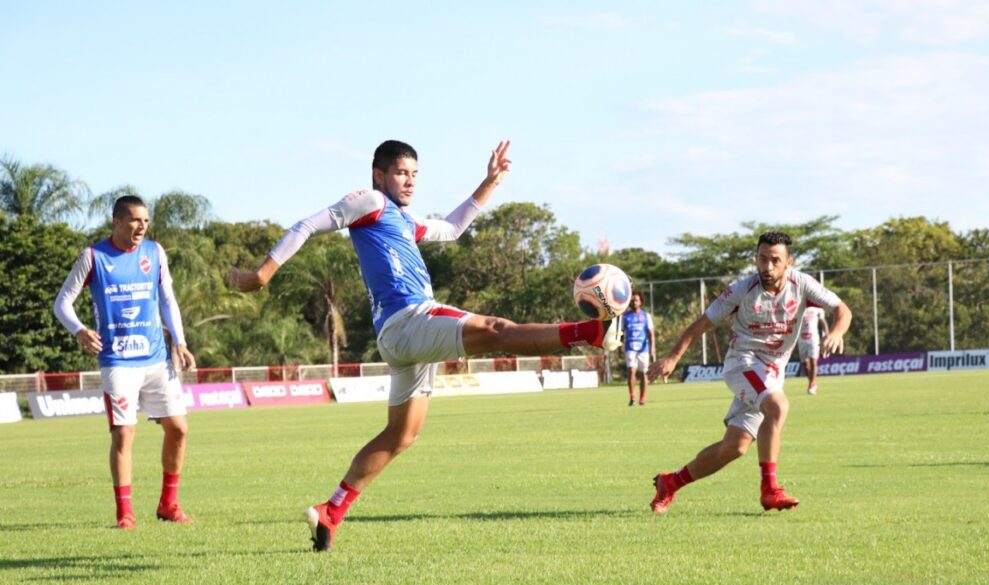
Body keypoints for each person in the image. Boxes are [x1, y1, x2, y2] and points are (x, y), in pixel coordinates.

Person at [230, 140, 620, 552]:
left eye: (414, 174)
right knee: (494, 329)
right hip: (409, 318)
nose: (409, 180)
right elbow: (307, 225)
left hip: (403, 337)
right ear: (379, 175)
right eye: (401, 172)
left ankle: (331, 511)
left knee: (402, 435)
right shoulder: (370, 201)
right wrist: (262, 274)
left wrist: (489, 183)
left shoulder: (403, 218)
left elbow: (451, 229)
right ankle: (590, 333)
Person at [646, 232, 851, 513]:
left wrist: (837, 332)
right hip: (742, 363)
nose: (767, 267)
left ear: (788, 262)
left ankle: (670, 483)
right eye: (762, 259)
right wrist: (672, 358)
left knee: (735, 447)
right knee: (777, 407)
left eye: (775, 260)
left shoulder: (802, 284)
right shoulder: (742, 290)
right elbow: (701, 324)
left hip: (771, 373)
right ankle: (770, 489)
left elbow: (842, 310)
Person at [54, 195, 196, 529]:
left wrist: (180, 341)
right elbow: (62, 303)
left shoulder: (154, 252)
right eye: (134, 220)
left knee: (179, 429)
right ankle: (125, 514)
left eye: (145, 221)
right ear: (117, 222)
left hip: (157, 358)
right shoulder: (93, 257)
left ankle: (168, 505)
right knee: (123, 435)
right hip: (117, 362)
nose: (141, 227)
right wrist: (78, 330)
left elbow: (167, 300)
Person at [621, 291, 656, 406]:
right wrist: (618, 348)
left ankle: (642, 398)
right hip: (630, 347)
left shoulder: (646, 316)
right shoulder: (625, 317)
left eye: (636, 300)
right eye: (632, 300)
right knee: (631, 371)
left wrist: (652, 347)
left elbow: (651, 333)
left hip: (643, 348)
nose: (633, 302)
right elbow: (621, 334)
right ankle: (632, 397)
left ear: (641, 302)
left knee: (644, 373)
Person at [798, 305, 829, 395]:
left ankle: (812, 384)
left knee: (813, 361)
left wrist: (827, 335)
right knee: (805, 365)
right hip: (801, 339)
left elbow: (822, 321)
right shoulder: (799, 306)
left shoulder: (817, 308)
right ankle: (812, 382)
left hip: (813, 339)